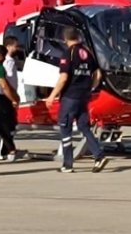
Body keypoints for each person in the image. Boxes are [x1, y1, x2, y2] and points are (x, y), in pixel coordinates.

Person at [45, 27, 109, 173]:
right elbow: (98, 74)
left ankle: (67, 164)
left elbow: (63, 78)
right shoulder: (88, 53)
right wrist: (90, 88)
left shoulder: (68, 54)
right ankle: (99, 155)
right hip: (83, 97)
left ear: (65, 39)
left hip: (70, 97)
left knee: (65, 128)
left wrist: (52, 96)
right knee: (84, 127)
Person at [0, 36, 20, 158]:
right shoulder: (6, 63)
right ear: (8, 47)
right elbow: (4, 81)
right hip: (4, 96)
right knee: (0, 124)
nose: (16, 48)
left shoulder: (12, 61)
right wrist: (13, 97)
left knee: (11, 124)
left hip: (9, 95)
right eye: (14, 46)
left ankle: (6, 148)